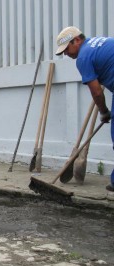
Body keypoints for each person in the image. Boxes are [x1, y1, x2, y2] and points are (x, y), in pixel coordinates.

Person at [56, 26, 114, 192]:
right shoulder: (100, 43)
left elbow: (96, 91)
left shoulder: (83, 57)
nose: (66, 54)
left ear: (77, 40)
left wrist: (103, 112)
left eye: (67, 49)